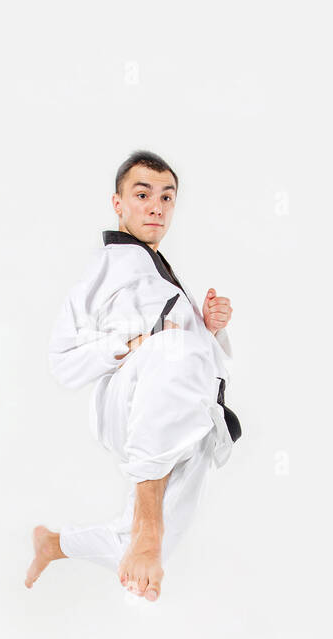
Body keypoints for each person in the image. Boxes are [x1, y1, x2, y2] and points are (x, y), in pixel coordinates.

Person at [25, 151, 241, 602]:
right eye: (142, 194)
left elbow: (177, 340)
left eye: (167, 197)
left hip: (192, 413)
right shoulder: (104, 267)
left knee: (163, 547)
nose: (156, 206)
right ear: (118, 204)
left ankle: (54, 543)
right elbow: (61, 360)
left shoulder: (158, 271)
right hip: (133, 405)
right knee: (174, 348)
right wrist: (128, 345)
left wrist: (209, 324)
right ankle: (148, 521)